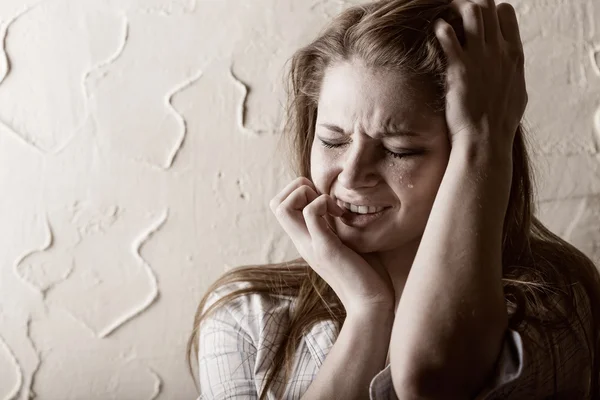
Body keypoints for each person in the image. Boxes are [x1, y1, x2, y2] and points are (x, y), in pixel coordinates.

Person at [187, 0, 600, 398]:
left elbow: (431, 382)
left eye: (399, 150)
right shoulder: (247, 315)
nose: (350, 176)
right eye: (333, 140)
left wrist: (484, 139)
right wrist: (369, 311)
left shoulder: (555, 302)